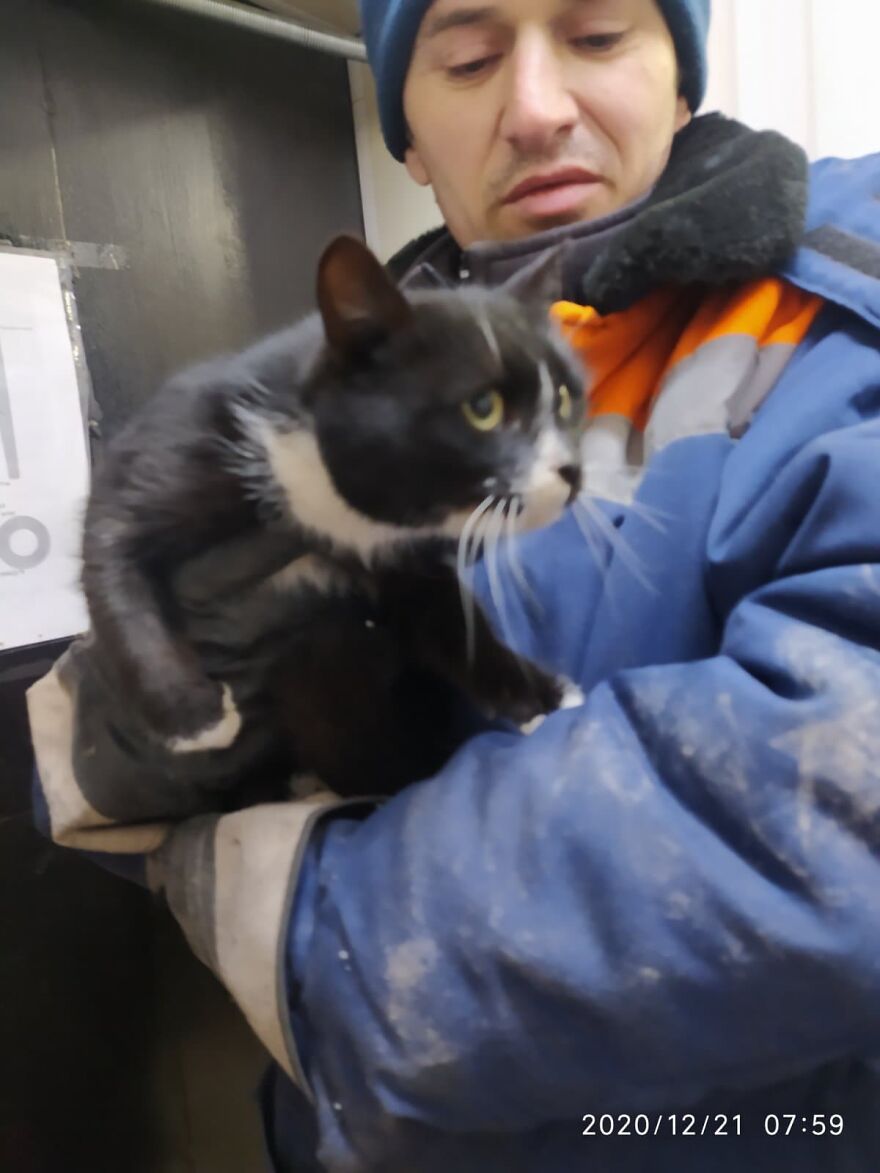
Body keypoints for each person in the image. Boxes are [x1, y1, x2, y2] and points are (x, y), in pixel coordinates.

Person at [27, 0, 880, 1169]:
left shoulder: (841, 310)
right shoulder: (335, 370)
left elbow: (835, 821)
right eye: (470, 58)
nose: (534, 109)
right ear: (408, 138)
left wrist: (306, 929)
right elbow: (99, 759)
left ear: (680, 84)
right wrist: (165, 705)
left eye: (596, 36)